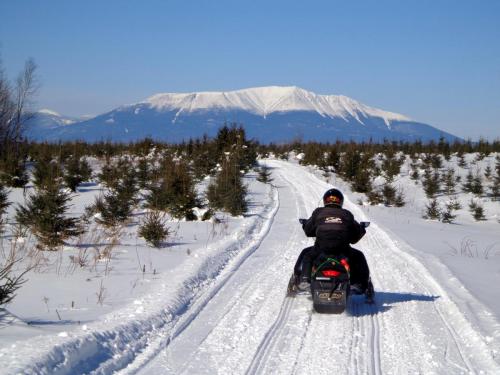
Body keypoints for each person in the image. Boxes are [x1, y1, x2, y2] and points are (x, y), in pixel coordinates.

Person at [295, 188, 371, 294]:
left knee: (307, 255)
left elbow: (308, 231)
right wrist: (362, 228)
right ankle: (358, 284)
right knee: (358, 257)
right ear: (341, 201)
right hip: (342, 249)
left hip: (321, 249)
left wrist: (305, 224)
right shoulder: (346, 214)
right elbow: (355, 236)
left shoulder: (318, 212)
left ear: (325, 201)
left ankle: (304, 280)